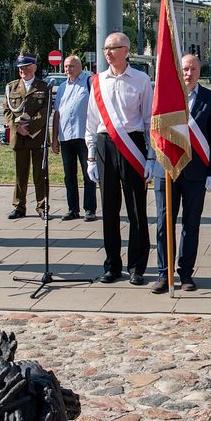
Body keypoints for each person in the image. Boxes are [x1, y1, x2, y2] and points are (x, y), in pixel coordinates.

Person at [150, 54, 211, 293]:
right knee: (164, 223)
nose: (188, 73)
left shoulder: (210, 99)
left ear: (199, 71)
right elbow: (152, 130)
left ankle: (186, 273)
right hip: (167, 169)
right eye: (184, 69)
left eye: (192, 69)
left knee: (191, 224)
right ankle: (163, 273)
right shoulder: (163, 96)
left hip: (196, 173)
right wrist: (152, 161)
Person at [85, 32, 152, 285]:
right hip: (105, 144)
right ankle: (112, 265)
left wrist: (151, 156)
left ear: (126, 50)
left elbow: (148, 120)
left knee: (136, 209)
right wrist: (91, 156)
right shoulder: (97, 81)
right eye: (105, 49)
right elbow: (92, 121)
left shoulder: (141, 80)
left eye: (113, 48)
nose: (108, 53)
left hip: (132, 144)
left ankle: (137, 267)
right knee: (109, 209)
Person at [2, 55, 51, 220]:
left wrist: (29, 128)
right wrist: (17, 128)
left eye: (27, 67)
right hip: (19, 137)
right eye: (21, 68)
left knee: (40, 173)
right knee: (20, 174)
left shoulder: (44, 87)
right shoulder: (11, 87)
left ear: (35, 67)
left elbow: (45, 111)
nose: (23, 70)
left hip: (37, 136)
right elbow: (6, 111)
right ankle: (18, 206)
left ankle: (42, 206)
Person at [51, 56, 97, 222]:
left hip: (84, 136)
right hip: (66, 137)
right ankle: (73, 209)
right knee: (69, 175)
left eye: (71, 66)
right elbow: (57, 113)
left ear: (79, 66)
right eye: (65, 66)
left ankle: (90, 209)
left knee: (88, 174)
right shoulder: (63, 87)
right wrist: (54, 138)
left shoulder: (89, 82)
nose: (68, 69)